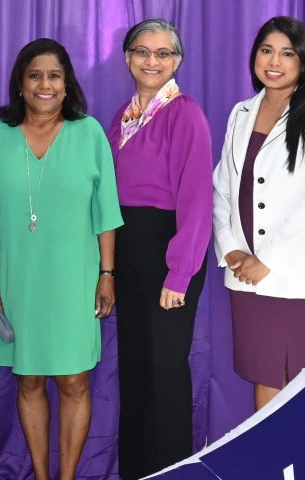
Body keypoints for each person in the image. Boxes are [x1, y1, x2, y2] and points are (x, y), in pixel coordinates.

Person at [0, 38, 123, 480]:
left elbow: (106, 215)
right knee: (29, 379)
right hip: (16, 280)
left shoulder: (89, 133)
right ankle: (41, 475)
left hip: (74, 280)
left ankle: (68, 476)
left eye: (53, 76)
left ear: (66, 83)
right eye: (34, 75)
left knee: (75, 381)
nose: (44, 84)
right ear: (20, 84)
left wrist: (106, 275)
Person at [212, 16, 305, 411]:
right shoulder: (240, 113)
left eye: (287, 53)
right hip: (247, 276)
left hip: (301, 275)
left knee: (303, 381)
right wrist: (232, 250)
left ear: (303, 63)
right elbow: (222, 187)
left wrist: (268, 260)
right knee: (266, 375)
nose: (274, 61)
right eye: (266, 50)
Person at [105, 18, 212, 479]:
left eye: (163, 53)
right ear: (128, 58)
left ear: (177, 62)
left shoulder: (184, 112)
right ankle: (136, 470)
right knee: (135, 365)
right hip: (127, 248)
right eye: (143, 52)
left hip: (169, 247)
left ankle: (170, 472)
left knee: (165, 369)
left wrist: (179, 273)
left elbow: (196, 200)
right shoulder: (122, 117)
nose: (152, 61)